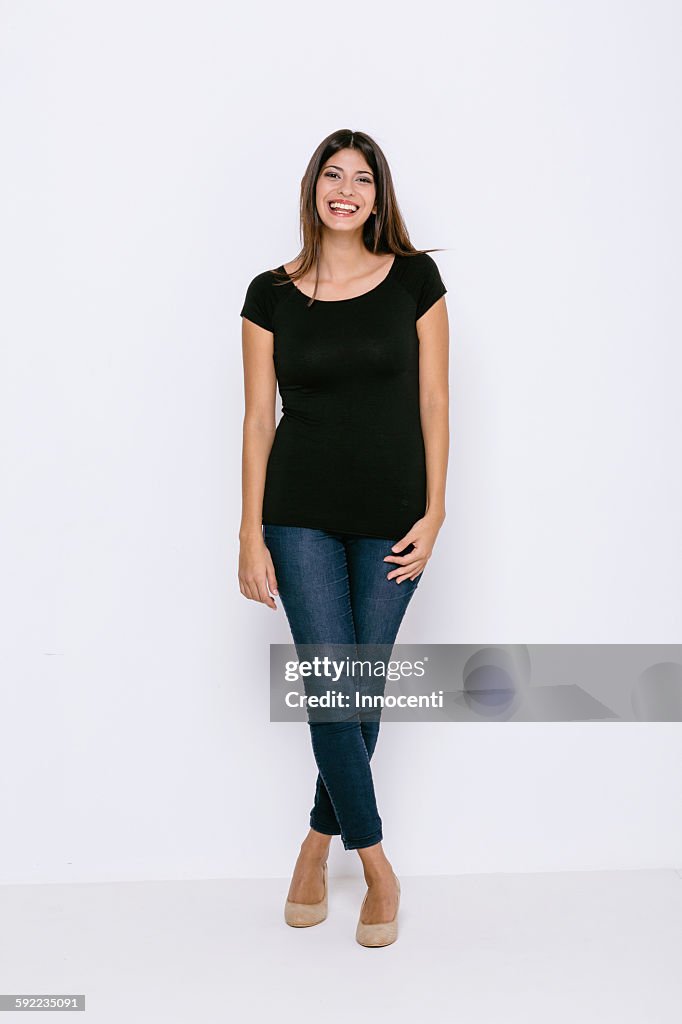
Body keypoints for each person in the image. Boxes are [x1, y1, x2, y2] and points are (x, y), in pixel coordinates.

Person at [238, 128, 449, 946]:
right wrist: (249, 533)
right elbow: (259, 420)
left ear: (378, 195)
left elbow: (435, 403)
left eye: (363, 178)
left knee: (361, 685)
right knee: (335, 684)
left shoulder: (418, 280)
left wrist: (436, 513)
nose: (347, 190)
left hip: (397, 512)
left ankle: (315, 843)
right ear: (313, 187)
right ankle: (379, 866)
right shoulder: (270, 293)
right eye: (334, 175)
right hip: (299, 512)